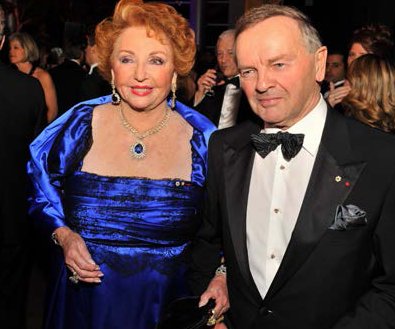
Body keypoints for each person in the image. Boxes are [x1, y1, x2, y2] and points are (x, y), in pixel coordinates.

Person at [189, 4, 395, 329]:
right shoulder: (224, 147)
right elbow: (208, 241)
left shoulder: (388, 160)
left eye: (278, 64)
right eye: (248, 70)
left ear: (319, 63)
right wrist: (214, 301)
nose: (262, 84)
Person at [27, 1, 227, 328]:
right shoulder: (78, 124)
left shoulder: (205, 139)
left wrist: (222, 277)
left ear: (176, 68)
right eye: (126, 59)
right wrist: (62, 234)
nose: (139, 74)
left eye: (156, 60)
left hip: (164, 309)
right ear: (111, 66)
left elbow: (231, 229)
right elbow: (39, 189)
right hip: (82, 307)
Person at [0, 3, 47, 328]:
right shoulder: (27, 89)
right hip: (10, 219)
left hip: (12, 221)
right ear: (1, 40)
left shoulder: (29, 86)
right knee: (9, 304)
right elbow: (35, 161)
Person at [193, 29, 259, 128]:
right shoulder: (214, 89)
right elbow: (196, 126)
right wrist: (200, 94)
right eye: (220, 54)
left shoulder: (256, 87)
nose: (223, 60)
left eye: (230, 53)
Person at [328, 23, 394, 108]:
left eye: (362, 56)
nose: (354, 60)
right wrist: (330, 105)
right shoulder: (342, 90)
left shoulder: (383, 92)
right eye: (352, 55)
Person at [342, 53, 395, 134]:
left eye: (348, 78)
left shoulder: (348, 130)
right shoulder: (392, 131)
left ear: (363, 87)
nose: (344, 83)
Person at [9, 32, 58, 122]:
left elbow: (53, 111)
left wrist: (41, 132)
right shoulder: (10, 75)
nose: (11, 51)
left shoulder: (42, 76)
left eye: (16, 47)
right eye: (10, 48)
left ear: (27, 49)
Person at [49, 37, 87, 117]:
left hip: (56, 118)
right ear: (81, 54)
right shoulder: (84, 75)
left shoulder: (52, 72)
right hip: (74, 118)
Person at [78, 28, 111, 101]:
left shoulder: (92, 81)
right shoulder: (113, 74)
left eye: (86, 46)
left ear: (94, 49)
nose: (85, 50)